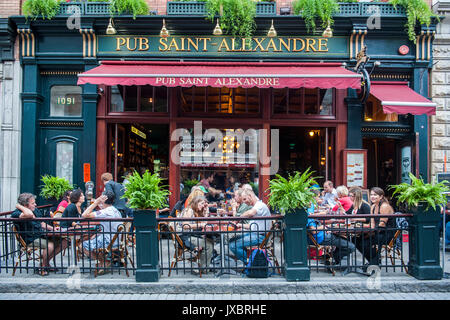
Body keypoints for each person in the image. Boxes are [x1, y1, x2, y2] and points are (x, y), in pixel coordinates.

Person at [12, 193, 69, 276]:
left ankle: (46, 263)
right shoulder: (17, 213)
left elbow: (41, 223)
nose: (35, 204)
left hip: (40, 234)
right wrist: (19, 206)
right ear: (25, 205)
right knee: (50, 246)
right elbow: (29, 215)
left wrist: (53, 229)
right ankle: (42, 267)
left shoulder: (35, 210)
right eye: (32, 203)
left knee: (65, 241)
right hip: (30, 238)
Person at [81, 191, 122, 274]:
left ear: (103, 200)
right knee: (92, 239)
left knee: (83, 245)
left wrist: (96, 202)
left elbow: (84, 215)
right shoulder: (115, 210)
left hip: (109, 241)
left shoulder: (106, 212)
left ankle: (104, 262)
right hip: (116, 240)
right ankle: (104, 261)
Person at [354, 187, 395, 269]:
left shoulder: (384, 206)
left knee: (368, 242)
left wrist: (369, 232)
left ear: (381, 196)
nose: (372, 197)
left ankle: (374, 263)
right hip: (377, 232)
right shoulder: (372, 207)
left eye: (375, 195)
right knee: (357, 240)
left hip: (387, 233)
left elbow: (382, 224)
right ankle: (373, 262)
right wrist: (364, 229)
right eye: (371, 195)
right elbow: (372, 224)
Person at [228, 189, 271, 263]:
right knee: (232, 241)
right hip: (256, 234)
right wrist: (240, 225)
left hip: (261, 237)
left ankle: (250, 263)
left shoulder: (259, 205)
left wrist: (239, 218)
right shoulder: (257, 206)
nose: (244, 202)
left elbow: (250, 213)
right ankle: (250, 259)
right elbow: (251, 226)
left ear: (250, 196)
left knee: (233, 245)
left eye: (245, 199)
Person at [176, 195, 215, 273]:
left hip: (191, 235)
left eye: (204, 204)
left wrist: (205, 211)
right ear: (196, 203)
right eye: (201, 203)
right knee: (208, 244)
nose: (203, 205)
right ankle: (203, 268)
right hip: (185, 237)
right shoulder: (189, 210)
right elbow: (185, 225)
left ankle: (203, 266)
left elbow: (204, 222)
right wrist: (200, 225)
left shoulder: (195, 211)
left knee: (210, 242)